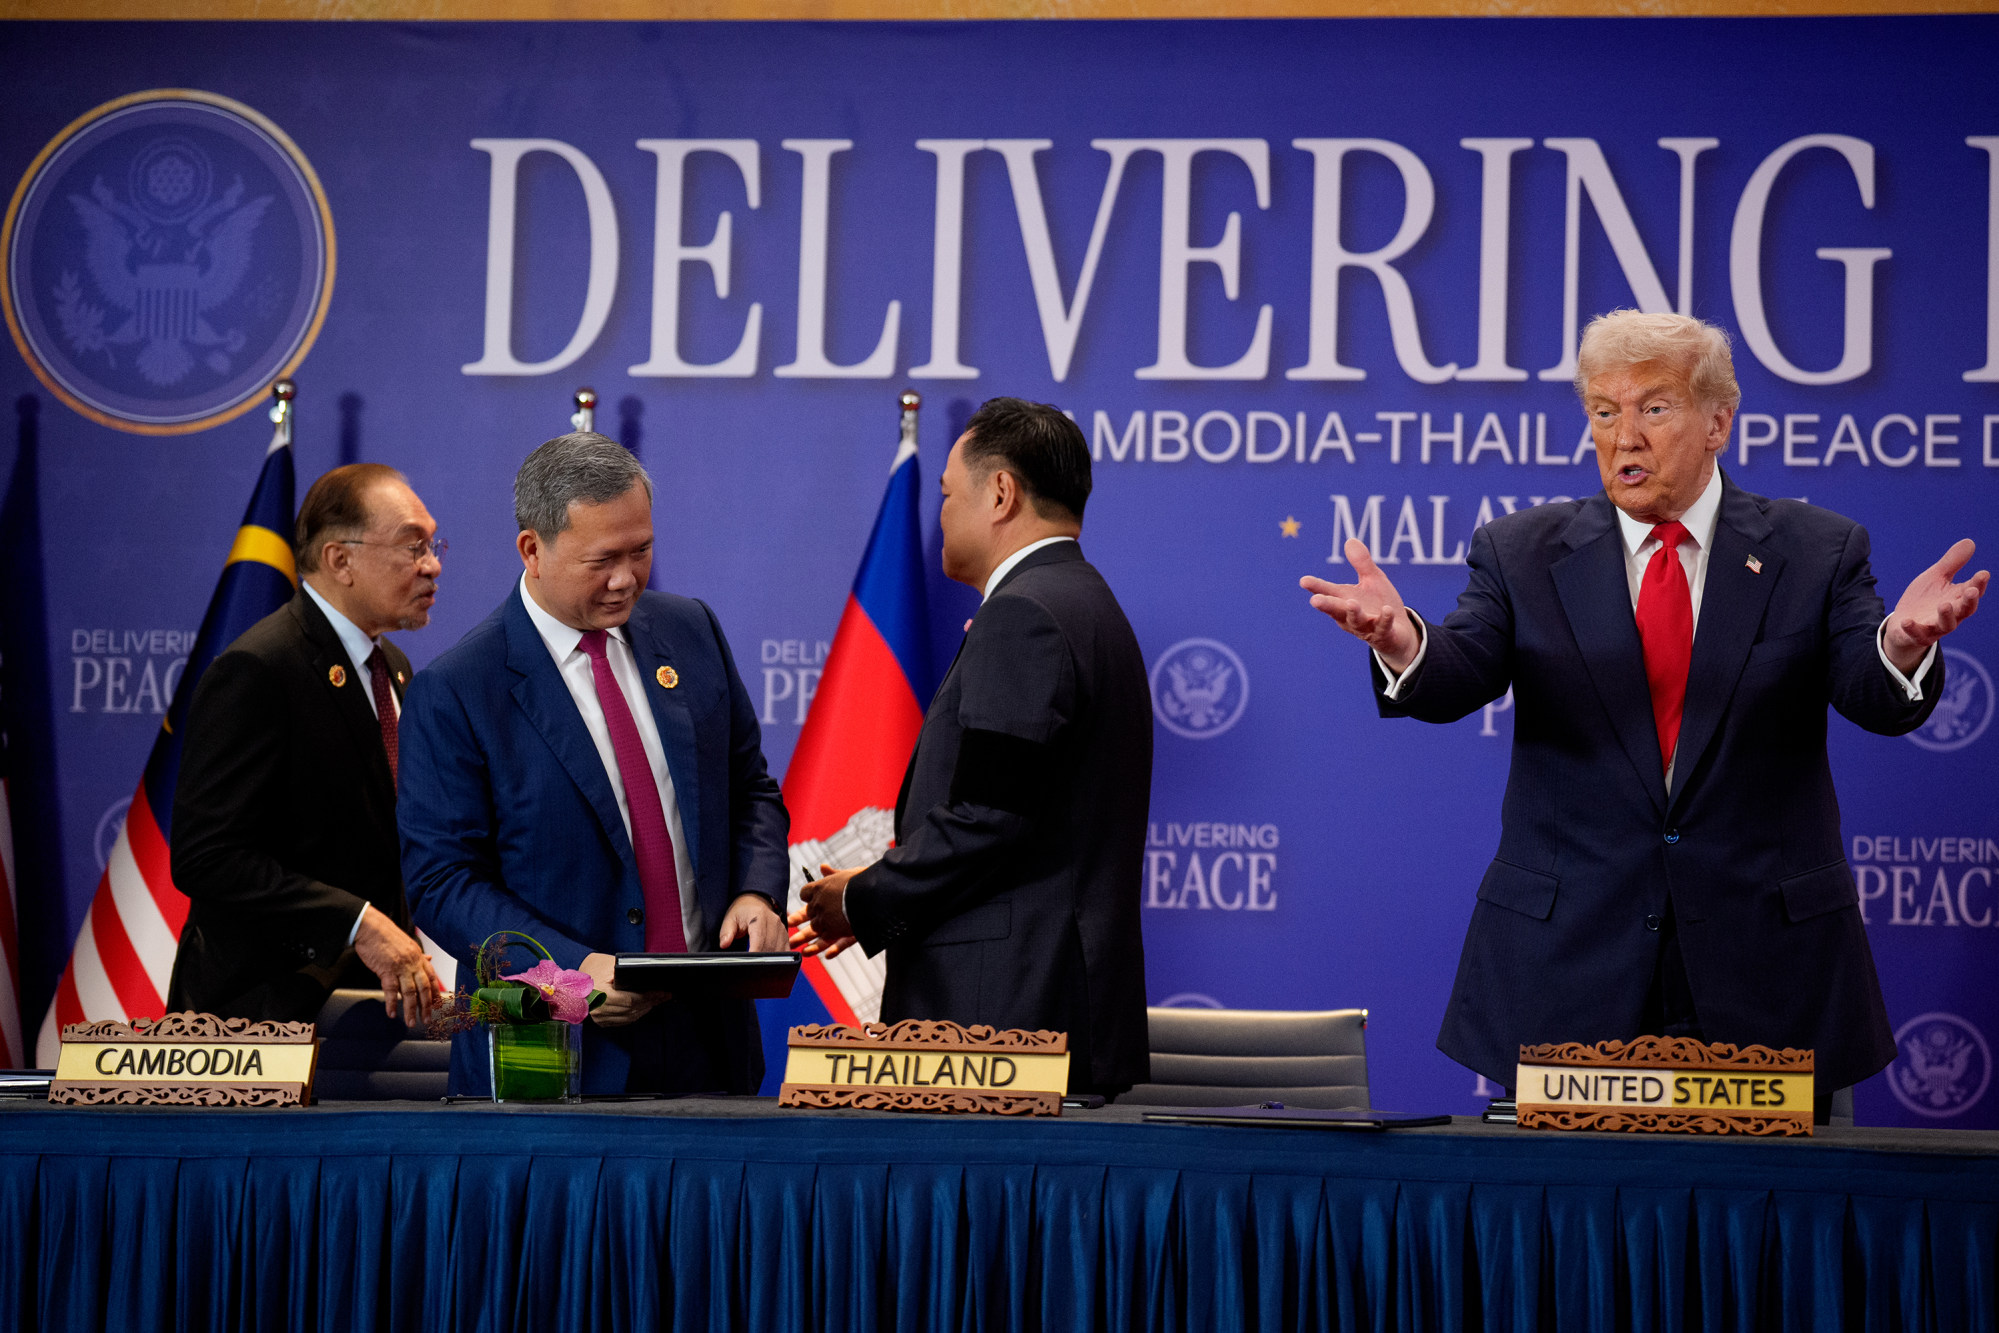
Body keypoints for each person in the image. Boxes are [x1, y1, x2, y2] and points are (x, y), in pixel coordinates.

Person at [1300, 309, 1988, 1108]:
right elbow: (1460, 670)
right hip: (1569, 970)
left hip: (1767, 974)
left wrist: (1899, 644)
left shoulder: (1816, 549)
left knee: (1772, 1195)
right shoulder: (1520, 552)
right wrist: (1401, 640)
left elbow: (1870, 692)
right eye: (1603, 411)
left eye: (1652, 408)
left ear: (1717, 422)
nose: (1623, 436)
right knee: (1567, 1196)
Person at [397, 432, 788, 1095]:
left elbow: (749, 788)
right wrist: (569, 974)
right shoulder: (459, 688)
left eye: (641, 551)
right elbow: (442, 882)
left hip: (709, 1037)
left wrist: (757, 890)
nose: (626, 578)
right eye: (602, 560)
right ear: (532, 550)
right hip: (551, 1049)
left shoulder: (691, 630)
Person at [791, 397, 1152, 1099]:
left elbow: (990, 816)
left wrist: (863, 896)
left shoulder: (1024, 614)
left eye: (948, 493)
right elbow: (1020, 811)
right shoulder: (1087, 602)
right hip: (1049, 1002)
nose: (942, 514)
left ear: (1001, 493)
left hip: (1002, 1013)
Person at [169, 463, 445, 1027]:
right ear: (340, 560)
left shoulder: (390, 666)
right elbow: (208, 858)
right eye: (412, 546)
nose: (432, 565)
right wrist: (357, 923)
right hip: (260, 1014)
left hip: (364, 1007)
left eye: (432, 545)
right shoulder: (260, 668)